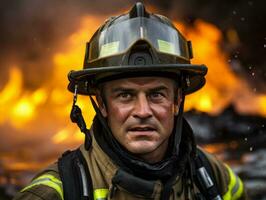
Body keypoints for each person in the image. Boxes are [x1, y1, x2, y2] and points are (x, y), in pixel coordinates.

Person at [13, 2, 248, 200]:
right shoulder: (55, 192)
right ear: (102, 104)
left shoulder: (213, 177)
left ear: (177, 101)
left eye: (157, 94)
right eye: (125, 95)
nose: (143, 111)